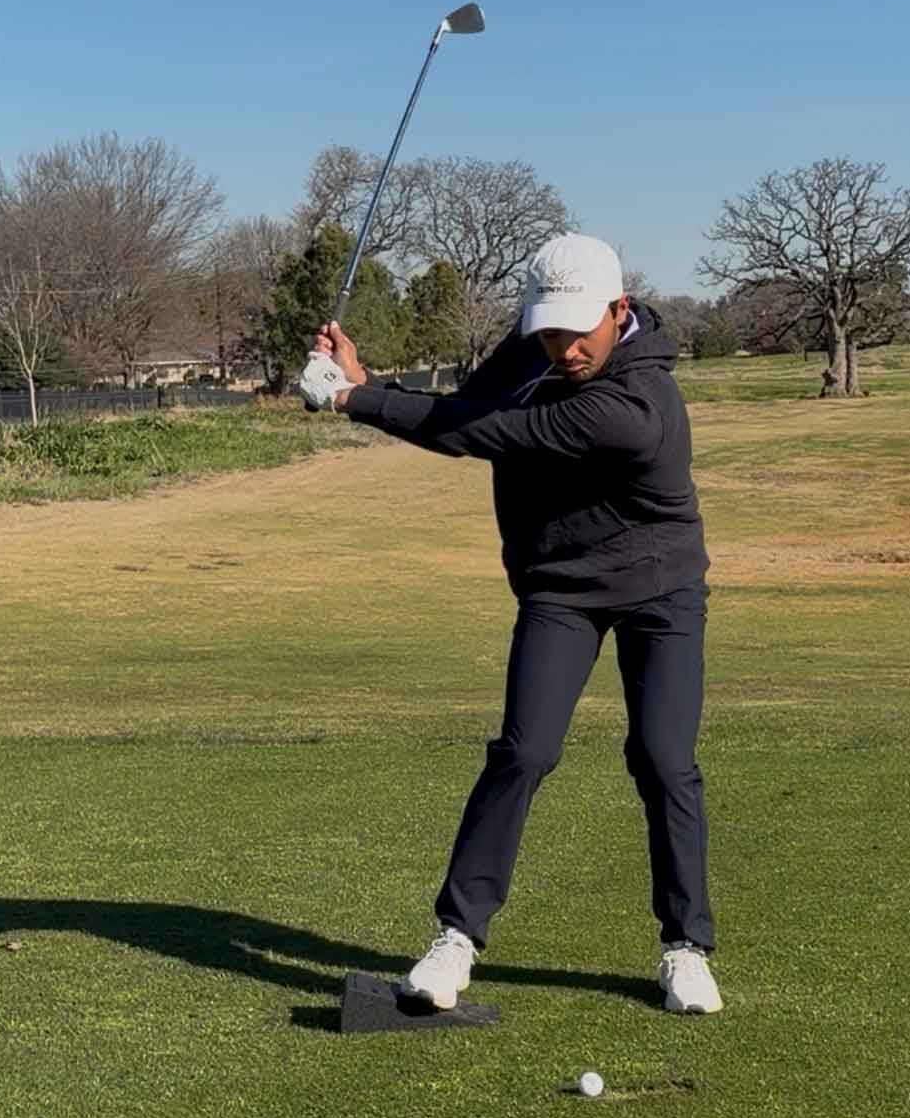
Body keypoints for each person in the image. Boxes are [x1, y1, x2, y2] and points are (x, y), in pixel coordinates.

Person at [300, 234, 721, 1014]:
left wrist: (351, 402)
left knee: (663, 759)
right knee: (524, 751)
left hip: (660, 590)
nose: (561, 350)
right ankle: (456, 939)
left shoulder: (634, 406)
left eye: (577, 332)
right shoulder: (535, 349)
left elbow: (488, 436)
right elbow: (466, 408)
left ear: (619, 312)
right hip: (559, 587)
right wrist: (367, 380)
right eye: (548, 331)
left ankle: (685, 947)